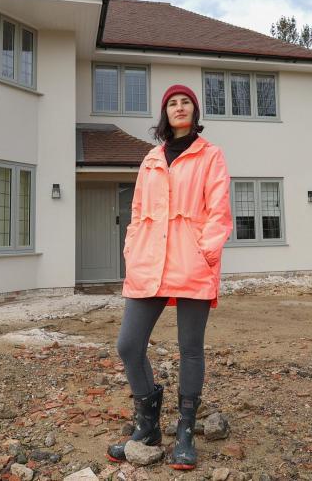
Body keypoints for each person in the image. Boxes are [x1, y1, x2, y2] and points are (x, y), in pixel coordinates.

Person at [105, 84, 233, 470]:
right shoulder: (151, 159)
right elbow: (139, 210)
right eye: (172, 103)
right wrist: (132, 250)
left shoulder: (210, 155)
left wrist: (203, 253)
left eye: (186, 103)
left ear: (195, 111)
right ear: (165, 113)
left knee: (189, 348)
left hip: (190, 263)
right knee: (128, 345)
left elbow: (219, 212)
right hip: (149, 263)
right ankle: (147, 425)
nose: (180, 108)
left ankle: (186, 432)